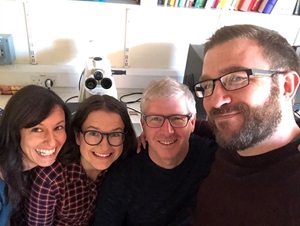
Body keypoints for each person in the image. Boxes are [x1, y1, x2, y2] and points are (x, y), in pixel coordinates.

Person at [192, 24, 300, 225]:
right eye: (208, 85)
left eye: (236, 78)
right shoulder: (230, 135)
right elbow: (193, 126)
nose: (215, 102)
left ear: (286, 86)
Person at [93, 77, 217, 226]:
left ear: (192, 123)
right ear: (143, 124)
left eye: (177, 118)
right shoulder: (123, 175)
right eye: (156, 119)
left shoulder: (214, 159)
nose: (167, 131)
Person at [14, 94, 137, 225]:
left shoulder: (121, 166)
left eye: (115, 134)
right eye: (94, 133)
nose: (105, 146)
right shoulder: (50, 179)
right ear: (78, 136)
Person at [0, 85, 73, 226]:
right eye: (37, 129)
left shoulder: (19, 168)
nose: (52, 142)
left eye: (58, 127)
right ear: (15, 131)